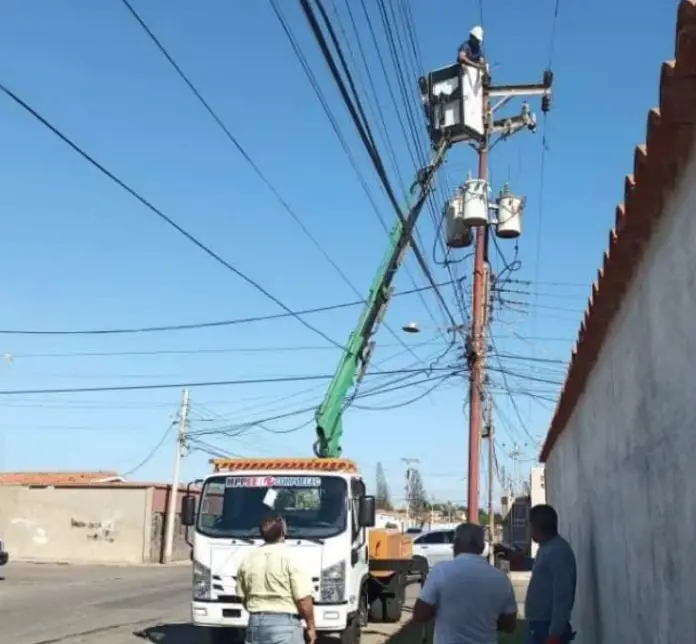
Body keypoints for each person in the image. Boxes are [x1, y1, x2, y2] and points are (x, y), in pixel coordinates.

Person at [410, 523, 518, 643]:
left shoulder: (440, 571)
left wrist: (441, 611)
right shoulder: (501, 578)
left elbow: (420, 614)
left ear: (456, 544)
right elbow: (510, 625)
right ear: (482, 547)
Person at [236, 512, 316, 644]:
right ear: (283, 531)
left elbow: (242, 595)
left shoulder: (249, 558)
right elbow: (302, 599)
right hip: (285, 625)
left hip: (255, 624)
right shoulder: (292, 558)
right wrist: (311, 626)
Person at [524, 505, 577, 644]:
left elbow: (563, 595)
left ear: (537, 527)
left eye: (529, 525)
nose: (527, 530)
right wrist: (521, 561)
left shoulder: (558, 551)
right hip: (537, 625)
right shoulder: (547, 547)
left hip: (546, 628)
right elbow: (543, 568)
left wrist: (555, 633)